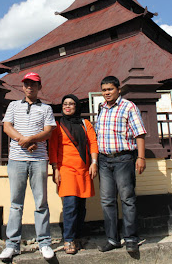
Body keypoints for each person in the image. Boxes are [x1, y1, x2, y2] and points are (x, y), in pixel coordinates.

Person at [0, 72, 56, 261]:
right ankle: (12, 245)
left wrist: (31, 139)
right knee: (16, 203)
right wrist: (23, 140)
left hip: (39, 159)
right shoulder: (13, 105)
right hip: (16, 159)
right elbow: (7, 127)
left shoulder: (46, 108)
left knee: (41, 202)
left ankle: (44, 242)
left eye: (34, 84)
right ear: (23, 86)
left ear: (40, 87)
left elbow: (48, 131)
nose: (30, 87)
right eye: (27, 84)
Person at [95, 76, 146, 253]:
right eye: (104, 90)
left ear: (118, 89)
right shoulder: (102, 108)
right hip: (104, 160)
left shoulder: (128, 107)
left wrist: (141, 157)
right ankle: (112, 239)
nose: (106, 93)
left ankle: (131, 238)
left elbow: (139, 133)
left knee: (127, 198)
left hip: (123, 159)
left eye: (110, 89)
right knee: (107, 201)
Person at [49, 94, 98, 254]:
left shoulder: (85, 124)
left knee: (81, 207)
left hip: (83, 169)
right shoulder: (57, 125)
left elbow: (93, 143)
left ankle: (77, 236)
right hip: (66, 170)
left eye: (71, 104)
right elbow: (53, 148)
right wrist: (55, 170)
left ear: (76, 107)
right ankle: (68, 239)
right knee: (70, 205)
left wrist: (94, 162)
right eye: (65, 104)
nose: (67, 106)